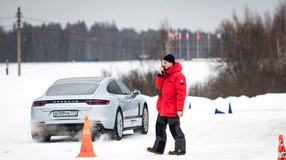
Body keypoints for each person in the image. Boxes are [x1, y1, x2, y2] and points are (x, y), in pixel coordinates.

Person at [147, 54, 186, 155]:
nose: (163, 64)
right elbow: (158, 86)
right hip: (163, 107)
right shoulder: (165, 74)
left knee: (174, 129)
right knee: (159, 127)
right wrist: (160, 75)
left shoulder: (179, 76)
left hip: (173, 108)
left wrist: (180, 109)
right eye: (162, 62)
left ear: (171, 63)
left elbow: (181, 94)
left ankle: (180, 149)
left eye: (165, 62)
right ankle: (158, 148)